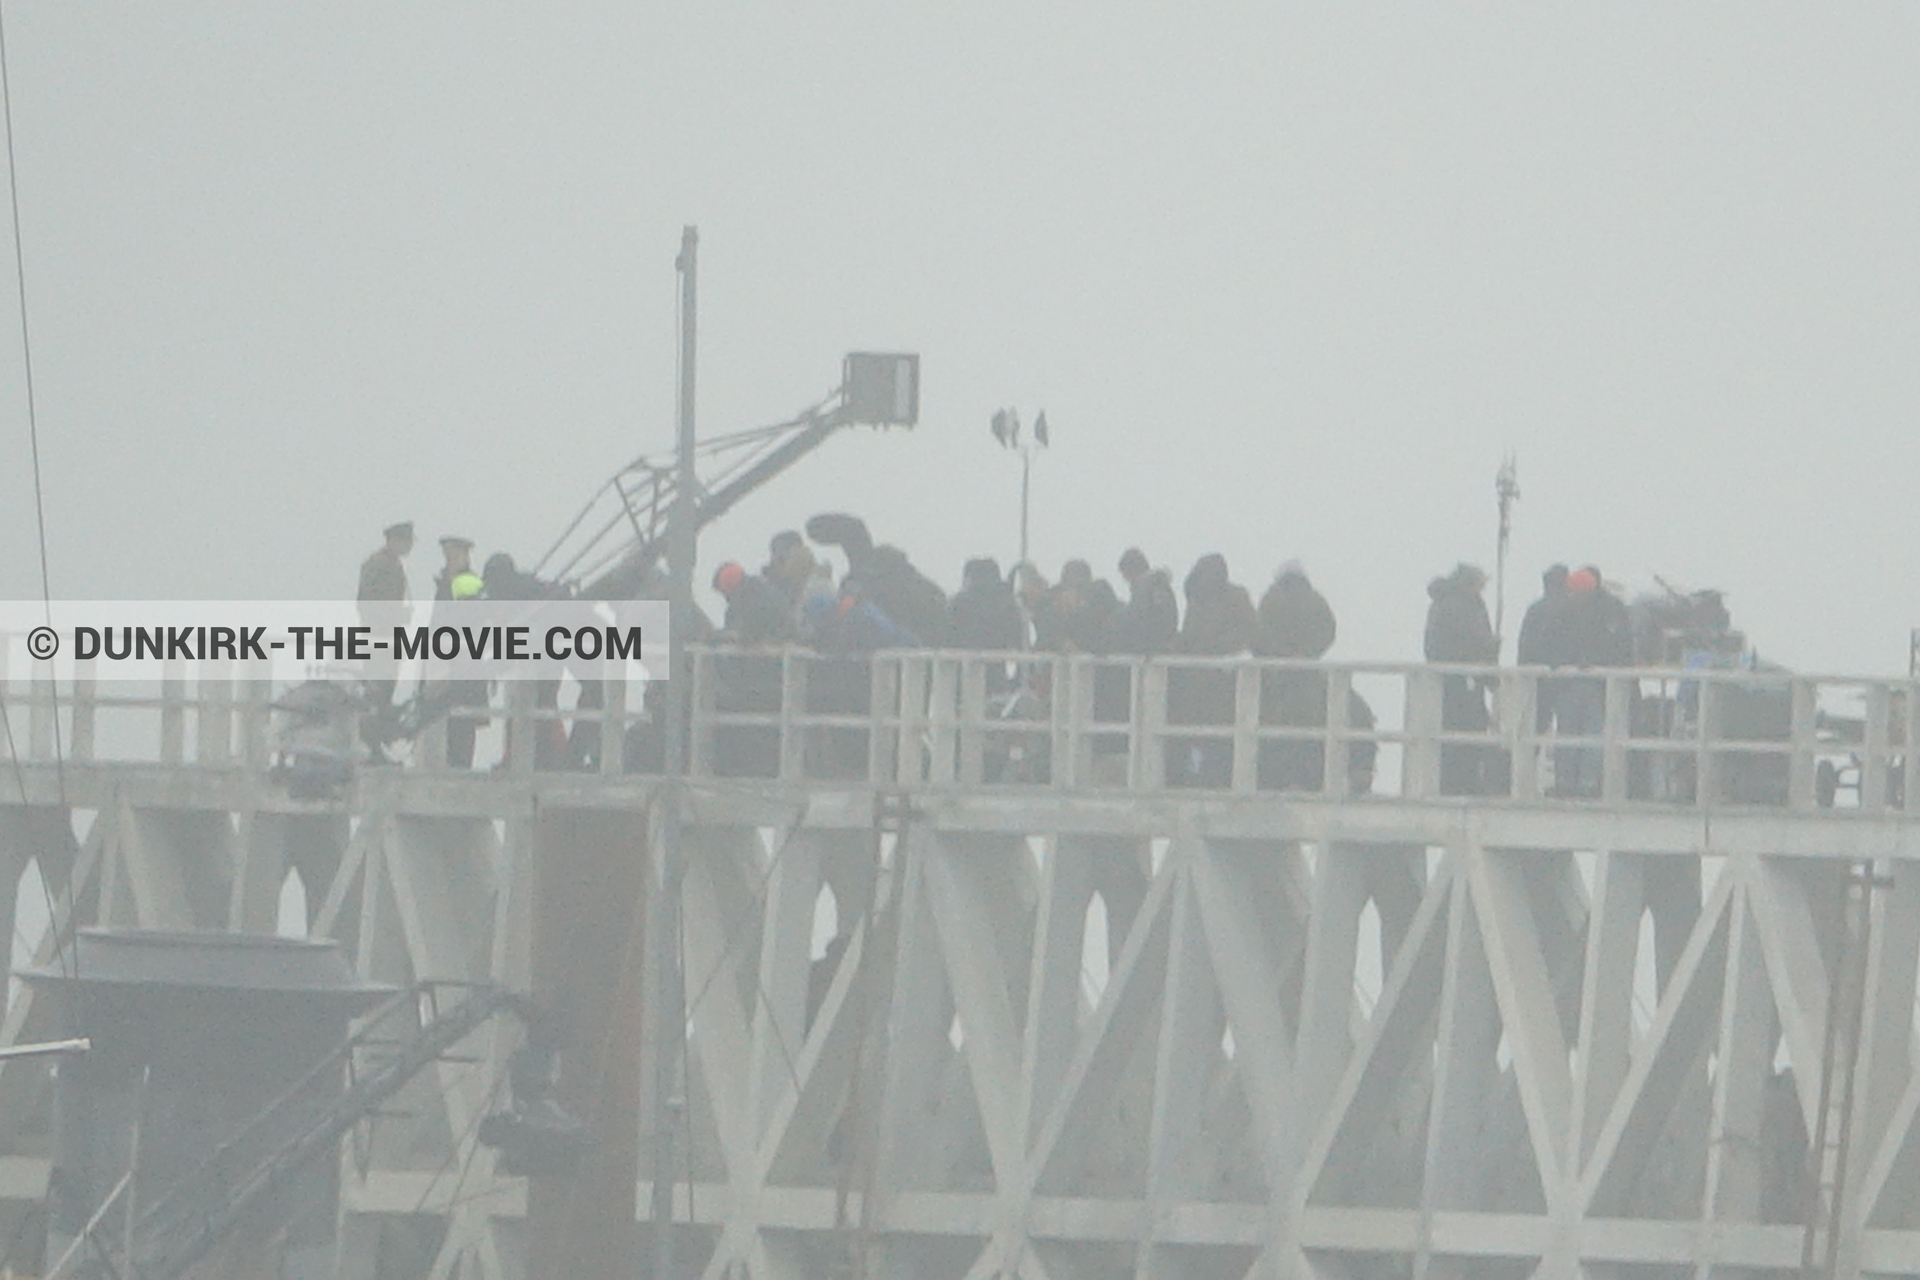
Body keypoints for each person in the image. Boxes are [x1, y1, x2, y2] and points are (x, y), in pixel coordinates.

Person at [1171, 554, 1256, 787]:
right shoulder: (1198, 599)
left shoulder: (1224, 598)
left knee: (1217, 736)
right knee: (1202, 735)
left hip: (1218, 680)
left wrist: (1214, 651)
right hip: (1203, 682)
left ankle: (1210, 777)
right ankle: (1199, 776)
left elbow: (1247, 632)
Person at [1254, 562, 1337, 791]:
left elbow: (1258, 633)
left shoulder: (1270, 599)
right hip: (1308, 678)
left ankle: (1274, 781)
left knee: (1274, 730)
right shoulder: (1316, 600)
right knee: (1310, 732)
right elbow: (1329, 630)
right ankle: (1306, 780)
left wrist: (1278, 656)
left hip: (1277, 679)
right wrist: (1308, 654)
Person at [1424, 562, 1502, 796]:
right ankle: (1462, 783)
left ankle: (1457, 781)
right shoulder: (1463, 606)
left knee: (1462, 731)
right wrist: (1490, 651)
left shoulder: (1446, 604)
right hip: (1460, 680)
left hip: (1461, 680)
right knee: (1466, 730)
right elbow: (1471, 640)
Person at [356, 521, 413, 757]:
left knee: (383, 694)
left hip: (389, 639)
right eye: (407, 541)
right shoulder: (378, 564)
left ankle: (376, 746)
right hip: (380, 640)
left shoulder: (391, 564)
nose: (409, 546)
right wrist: (396, 616)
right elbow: (367, 603)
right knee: (377, 694)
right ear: (396, 540)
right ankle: (371, 746)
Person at [1113, 548, 1178, 655]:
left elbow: (1138, 620)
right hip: (1162, 647)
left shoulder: (1145, 589)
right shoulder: (1160, 586)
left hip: (1150, 652)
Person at [434, 535, 476, 601]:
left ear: (467, 558)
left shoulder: (472, 584)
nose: (452, 560)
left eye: (456, 556)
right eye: (449, 556)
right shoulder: (443, 584)